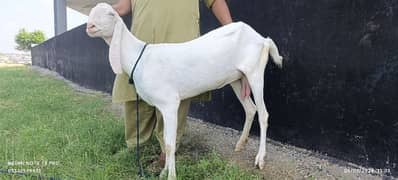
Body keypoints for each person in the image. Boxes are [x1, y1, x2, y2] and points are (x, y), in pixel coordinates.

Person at [111, 0, 248, 165]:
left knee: (174, 99)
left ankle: (166, 154)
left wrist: (235, 40)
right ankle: (136, 147)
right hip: (141, 43)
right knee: (135, 98)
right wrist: (101, 13)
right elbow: (124, 5)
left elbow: (215, 1)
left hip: (180, 42)